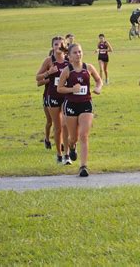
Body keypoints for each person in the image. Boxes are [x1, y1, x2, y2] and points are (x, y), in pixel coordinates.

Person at [57, 43, 103, 177]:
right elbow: (59, 88)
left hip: (86, 104)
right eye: (75, 53)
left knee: (83, 135)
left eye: (80, 52)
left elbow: (99, 80)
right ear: (69, 56)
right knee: (73, 137)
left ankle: (83, 167)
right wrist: (72, 89)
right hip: (71, 105)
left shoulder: (88, 68)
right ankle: (71, 146)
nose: (78, 54)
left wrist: (98, 88)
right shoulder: (67, 71)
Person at [36, 36, 71, 165]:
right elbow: (37, 77)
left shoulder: (69, 60)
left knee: (66, 125)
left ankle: (67, 154)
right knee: (57, 127)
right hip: (53, 96)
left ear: (64, 46)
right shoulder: (49, 61)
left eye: (60, 44)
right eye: (55, 44)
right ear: (52, 46)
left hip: (66, 95)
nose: (58, 46)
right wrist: (48, 73)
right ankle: (59, 155)